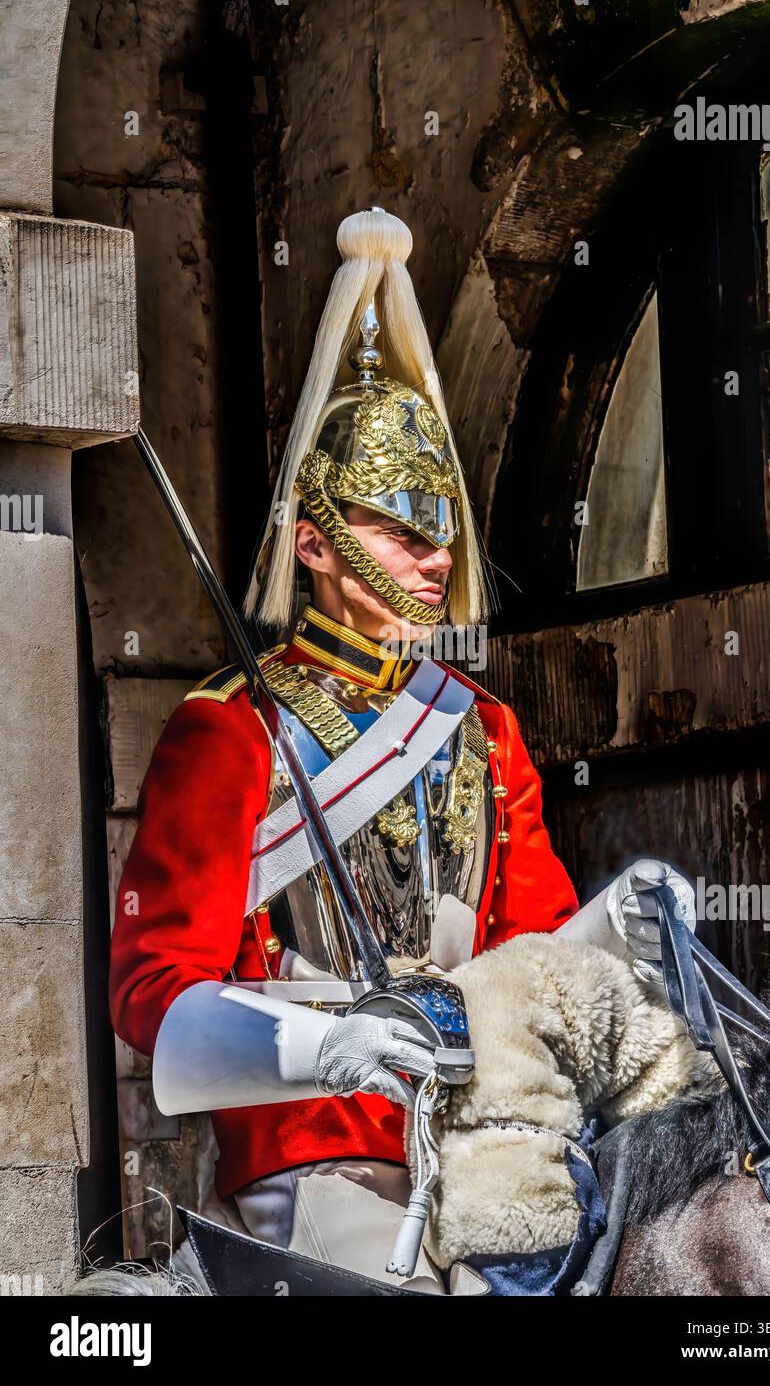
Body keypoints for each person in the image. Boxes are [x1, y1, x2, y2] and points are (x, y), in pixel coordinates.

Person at [109, 207, 697, 1295]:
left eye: (440, 533)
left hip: (491, 1144)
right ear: (318, 544)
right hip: (315, 1155)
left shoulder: (480, 725)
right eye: (399, 529)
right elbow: (154, 985)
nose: (431, 560)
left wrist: (622, 928)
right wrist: (318, 1047)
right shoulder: (230, 724)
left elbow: (531, 951)